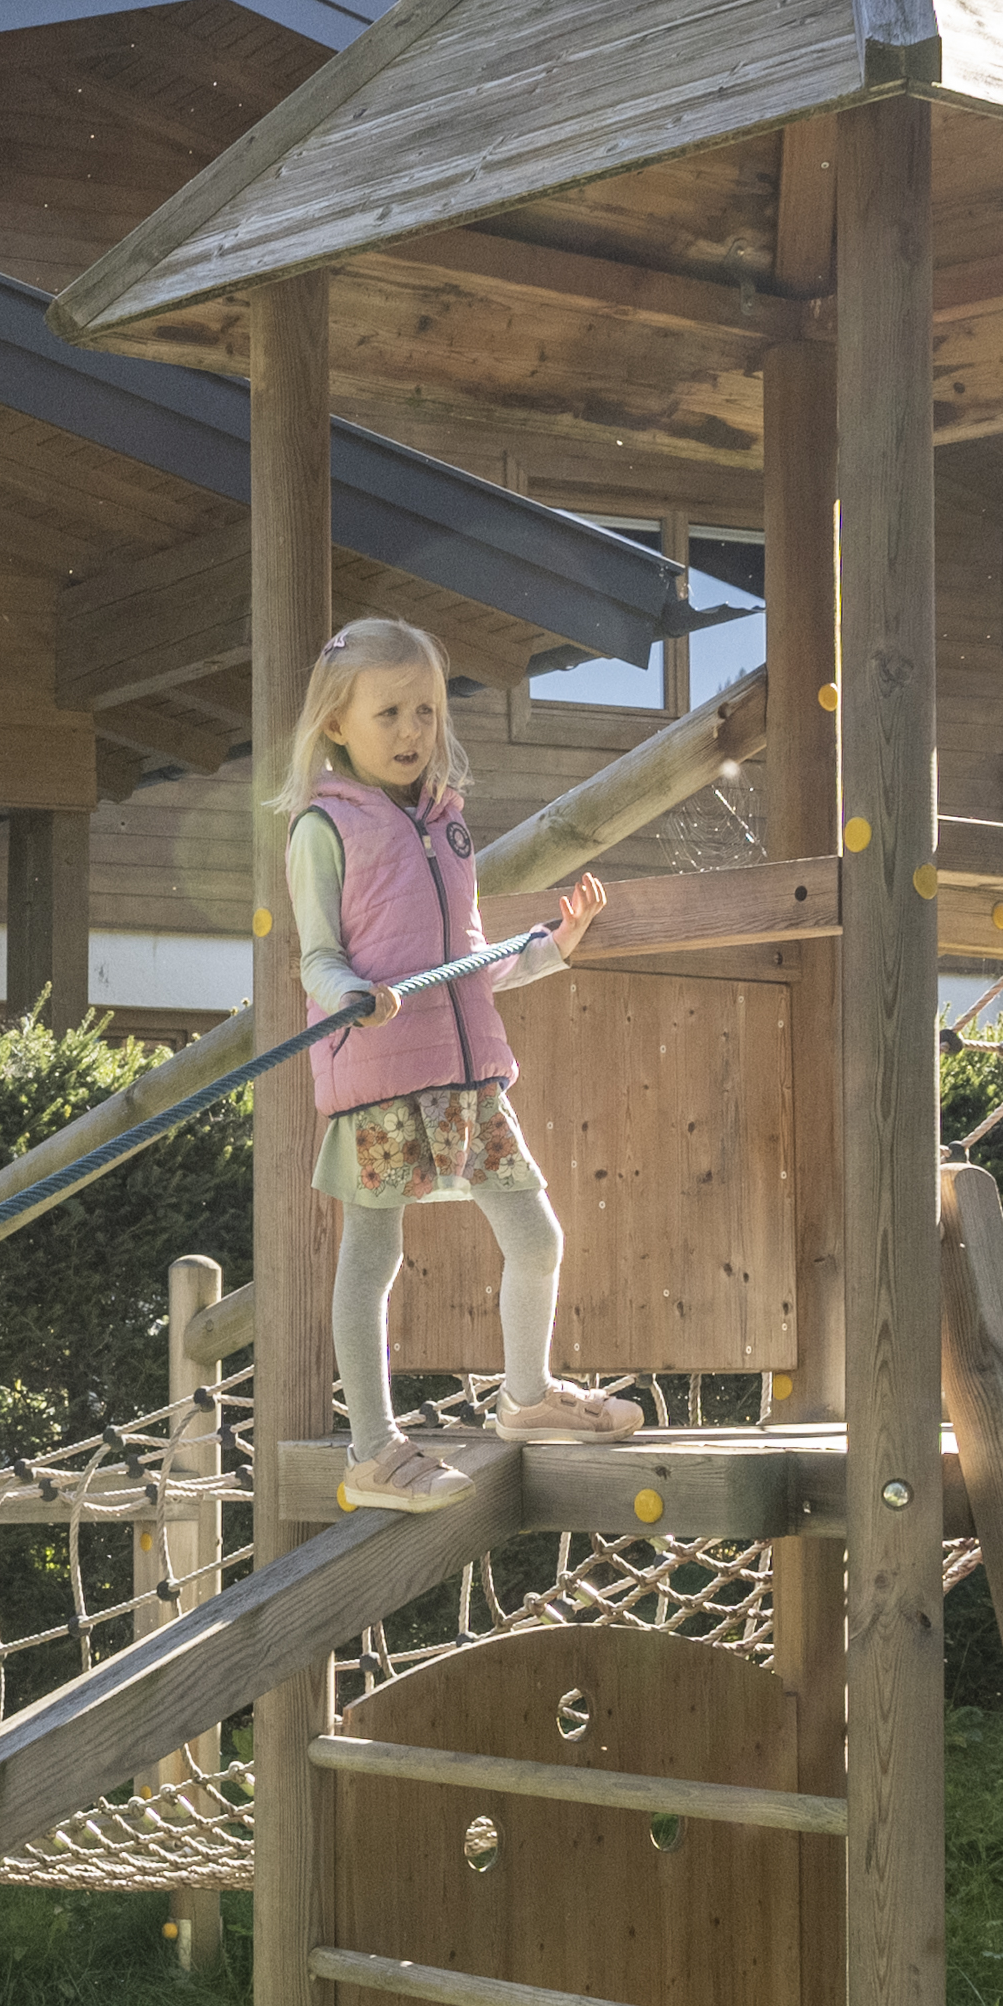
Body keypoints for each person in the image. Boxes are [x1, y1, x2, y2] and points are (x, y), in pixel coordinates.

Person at [275, 614, 621, 1512]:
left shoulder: (445, 822)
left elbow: (471, 960)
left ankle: (528, 1397)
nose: (411, 730)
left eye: (425, 710)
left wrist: (556, 945)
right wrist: (353, 988)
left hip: (468, 1080)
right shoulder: (324, 826)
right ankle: (374, 1449)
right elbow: (315, 957)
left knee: (537, 1237)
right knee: (373, 1254)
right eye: (388, 712)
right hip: (383, 1078)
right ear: (336, 724)